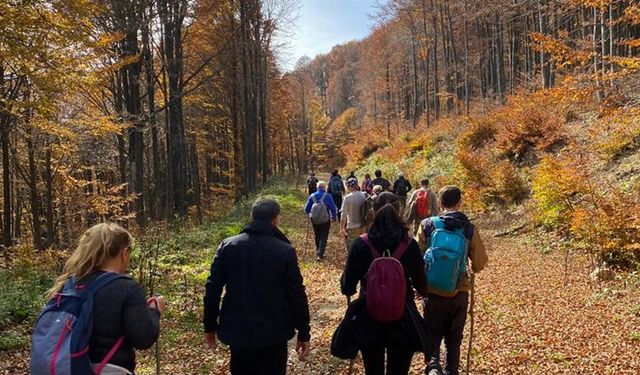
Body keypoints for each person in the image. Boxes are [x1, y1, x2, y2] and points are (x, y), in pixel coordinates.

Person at [204, 198, 311, 375]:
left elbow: (212, 289)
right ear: (276, 219)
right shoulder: (284, 251)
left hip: (239, 330)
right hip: (274, 332)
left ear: (251, 216)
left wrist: (210, 325)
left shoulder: (228, 246)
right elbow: (296, 294)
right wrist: (304, 331)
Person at [45, 223, 163, 375]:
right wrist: (155, 310)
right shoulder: (127, 288)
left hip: (69, 368)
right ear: (124, 253)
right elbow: (143, 338)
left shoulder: (69, 285)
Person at [341, 192, 428, 375]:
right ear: (400, 211)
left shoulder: (360, 243)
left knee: (373, 370)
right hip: (403, 317)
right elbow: (422, 284)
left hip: (369, 316)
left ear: (373, 211)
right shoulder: (409, 244)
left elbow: (347, 286)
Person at [416, 186, 488, 375]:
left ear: (439, 203)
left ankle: (432, 367)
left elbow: (416, 257)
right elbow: (480, 262)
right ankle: (451, 371)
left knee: (432, 334)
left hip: (432, 291)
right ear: (460, 203)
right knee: (454, 339)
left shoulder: (427, 225)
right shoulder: (469, 228)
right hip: (459, 291)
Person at [304, 181, 338, 260]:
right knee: (324, 236)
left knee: (317, 234)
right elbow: (333, 208)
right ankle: (320, 254)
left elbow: (306, 209)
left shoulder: (312, 196)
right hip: (325, 219)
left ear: (317, 187)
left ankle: (318, 251)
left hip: (314, 219)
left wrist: (310, 213)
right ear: (324, 187)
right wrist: (333, 217)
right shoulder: (328, 196)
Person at [340, 177, 368, 251]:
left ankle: (353, 261)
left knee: (352, 247)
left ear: (349, 186)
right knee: (362, 245)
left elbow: (344, 214)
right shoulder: (364, 195)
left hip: (352, 225)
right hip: (363, 225)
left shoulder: (348, 198)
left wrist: (342, 227)